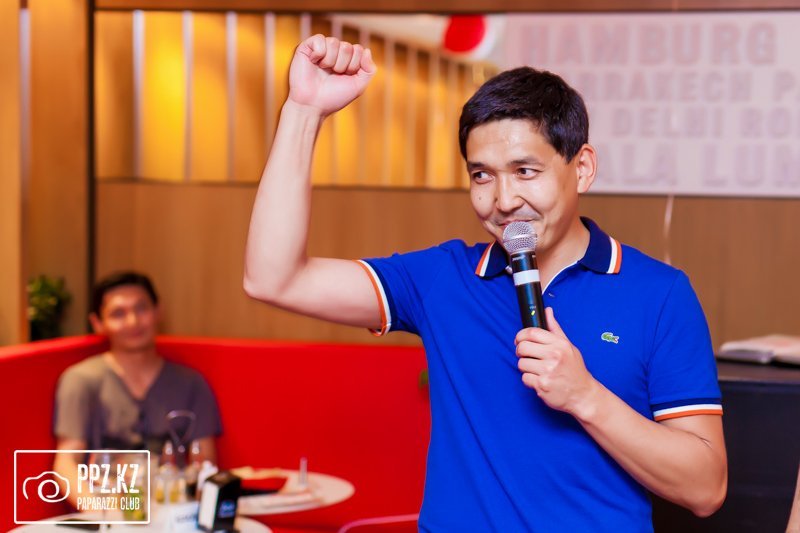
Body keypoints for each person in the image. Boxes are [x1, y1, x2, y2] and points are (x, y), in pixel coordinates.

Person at [243, 34, 727, 531]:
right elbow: (273, 279)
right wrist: (304, 111)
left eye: (525, 171)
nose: (504, 200)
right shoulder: (442, 279)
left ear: (581, 168)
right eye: (481, 175)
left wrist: (585, 396)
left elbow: (705, 488)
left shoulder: (659, 294)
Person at [53, 271, 222, 507]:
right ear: (98, 323)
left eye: (141, 308)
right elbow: (66, 463)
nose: (133, 322)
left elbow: (205, 462)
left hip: (173, 508)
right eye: (118, 313)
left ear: (158, 311)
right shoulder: (81, 380)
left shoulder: (191, 382)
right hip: (108, 506)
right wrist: (99, 512)